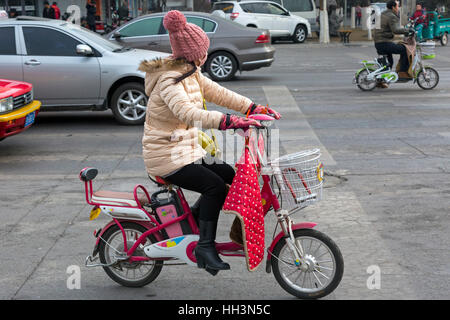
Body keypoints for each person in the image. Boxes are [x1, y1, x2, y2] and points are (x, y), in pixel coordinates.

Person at [138, 10, 280, 275]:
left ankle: (192, 220)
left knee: (228, 174)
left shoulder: (189, 71)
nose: (207, 53)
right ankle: (204, 246)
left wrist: (252, 107)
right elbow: (188, 113)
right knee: (215, 187)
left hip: (184, 150)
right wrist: (231, 122)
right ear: (195, 53)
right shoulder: (170, 79)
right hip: (165, 155)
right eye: (204, 49)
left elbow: (219, 92)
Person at [374, 0, 411, 84]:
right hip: (384, 42)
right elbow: (396, 30)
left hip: (378, 42)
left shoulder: (382, 14)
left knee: (388, 63)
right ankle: (403, 73)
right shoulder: (391, 16)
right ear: (393, 7)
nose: (398, 8)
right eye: (397, 6)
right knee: (405, 49)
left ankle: (381, 82)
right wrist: (408, 31)